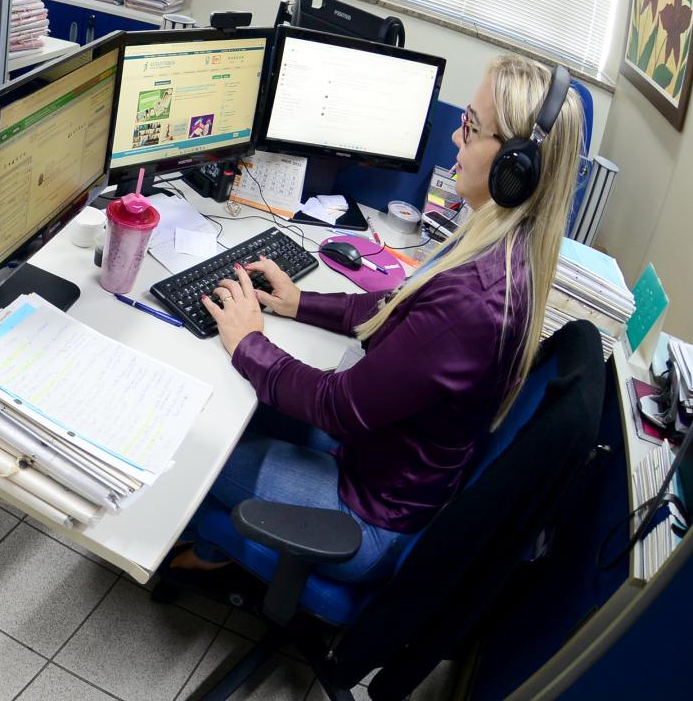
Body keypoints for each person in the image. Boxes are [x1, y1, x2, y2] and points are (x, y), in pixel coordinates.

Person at [171, 55, 584, 585]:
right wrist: (301, 303)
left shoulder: (476, 301)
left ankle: (208, 542)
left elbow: (336, 406)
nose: (456, 141)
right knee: (234, 404)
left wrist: (250, 341)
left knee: (193, 437)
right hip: (379, 462)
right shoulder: (498, 248)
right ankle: (217, 540)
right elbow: (396, 307)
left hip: (363, 516)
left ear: (515, 167)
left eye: (471, 127)